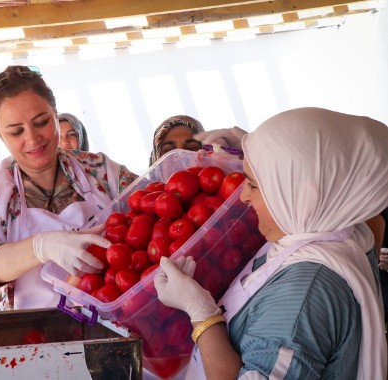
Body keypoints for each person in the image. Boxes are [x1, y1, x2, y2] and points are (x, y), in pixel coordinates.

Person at [154, 107, 388, 379]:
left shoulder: (304, 293)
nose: (242, 196)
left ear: (301, 192)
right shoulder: (341, 229)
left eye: (252, 184)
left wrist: (202, 315)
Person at [0, 65, 138, 311]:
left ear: (55, 113)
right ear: (0, 135)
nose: (33, 138)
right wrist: (42, 246)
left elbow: (152, 204)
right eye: (16, 131)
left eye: (42, 122)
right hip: (35, 333)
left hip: (113, 319)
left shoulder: (99, 170)